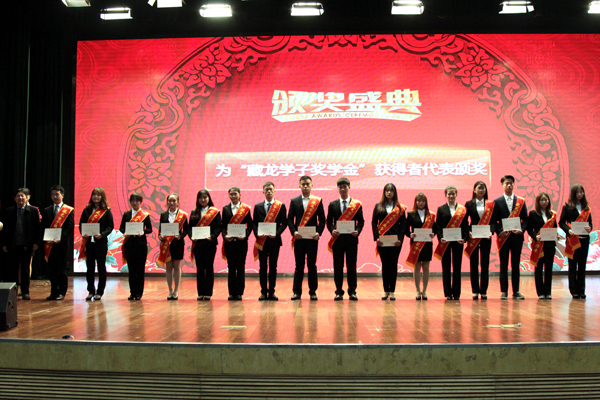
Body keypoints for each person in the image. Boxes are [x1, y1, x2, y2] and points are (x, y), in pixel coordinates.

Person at [287, 175, 326, 301]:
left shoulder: (317, 201)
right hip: (299, 239)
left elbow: (322, 219)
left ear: (311, 185)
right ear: (299, 186)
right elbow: (290, 219)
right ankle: (297, 292)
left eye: (307, 184)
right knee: (299, 266)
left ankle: (313, 291)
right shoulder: (294, 201)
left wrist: (318, 233)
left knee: (312, 265)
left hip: (312, 239)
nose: (305, 186)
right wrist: (294, 232)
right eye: (303, 184)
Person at [326, 177, 364, 301]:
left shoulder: (356, 204)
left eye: (345, 187)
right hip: (338, 240)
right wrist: (332, 230)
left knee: (351, 267)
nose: (343, 189)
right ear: (338, 188)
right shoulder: (333, 204)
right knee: (338, 267)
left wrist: (357, 231)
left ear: (349, 187)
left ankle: (352, 291)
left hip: (351, 240)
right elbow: (329, 222)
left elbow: (361, 221)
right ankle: (339, 292)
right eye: (340, 187)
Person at [1, 188, 40, 300]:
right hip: (12, 245)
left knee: (25, 269)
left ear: (27, 198)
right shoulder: (9, 211)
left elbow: (37, 229)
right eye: (18, 196)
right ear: (14, 198)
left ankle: (25, 291)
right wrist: (4, 244)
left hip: (27, 245)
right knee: (12, 270)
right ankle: (13, 291)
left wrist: (36, 242)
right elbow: (5, 230)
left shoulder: (33, 211)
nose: (20, 198)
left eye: (22, 196)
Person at [493, 175, 528, 300]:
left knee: (515, 264)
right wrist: (499, 232)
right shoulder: (497, 201)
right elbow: (494, 221)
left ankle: (516, 291)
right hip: (503, 238)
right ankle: (504, 291)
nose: (509, 185)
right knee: (503, 265)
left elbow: (525, 219)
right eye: (507, 183)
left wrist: (521, 230)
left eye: (511, 183)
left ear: (513, 185)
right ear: (502, 185)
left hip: (516, 237)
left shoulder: (520, 201)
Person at [252, 181, 287, 301]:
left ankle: (271, 292)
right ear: (263, 191)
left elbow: (284, 223)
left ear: (274, 191)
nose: (268, 191)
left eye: (270, 189)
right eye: (266, 189)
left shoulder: (280, 206)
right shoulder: (258, 206)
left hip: (274, 241)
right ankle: (263, 292)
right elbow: (254, 224)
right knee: (262, 267)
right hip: (261, 241)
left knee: (273, 267)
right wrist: (257, 233)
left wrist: (277, 233)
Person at [372, 183, 407, 301]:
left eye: (391, 190)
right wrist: (377, 237)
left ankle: (392, 291)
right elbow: (374, 223)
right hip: (382, 241)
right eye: (387, 190)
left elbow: (403, 225)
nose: (389, 192)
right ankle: (385, 290)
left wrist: (400, 239)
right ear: (384, 192)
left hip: (395, 242)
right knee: (385, 265)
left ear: (394, 192)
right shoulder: (378, 206)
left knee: (393, 265)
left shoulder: (400, 207)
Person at [78, 187, 114, 301]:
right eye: (94, 195)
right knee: (90, 268)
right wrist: (83, 233)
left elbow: (110, 226)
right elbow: (81, 225)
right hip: (89, 243)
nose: (96, 197)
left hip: (100, 243)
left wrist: (102, 235)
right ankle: (90, 291)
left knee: (101, 268)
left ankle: (100, 292)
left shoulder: (106, 211)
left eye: (98, 195)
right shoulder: (86, 210)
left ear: (102, 197)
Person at [434, 186, 468, 301]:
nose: (451, 196)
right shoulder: (441, 209)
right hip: (445, 242)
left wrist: (464, 238)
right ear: (446, 195)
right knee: (446, 266)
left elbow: (465, 225)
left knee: (457, 267)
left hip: (458, 241)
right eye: (449, 194)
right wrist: (440, 238)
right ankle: (448, 293)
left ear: (456, 195)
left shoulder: (462, 209)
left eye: (453, 194)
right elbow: (438, 226)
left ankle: (457, 293)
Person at [559, 184, 593, 299]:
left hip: (584, 240)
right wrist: (568, 230)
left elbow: (590, 223)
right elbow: (561, 222)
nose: (580, 194)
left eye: (581, 192)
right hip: (572, 240)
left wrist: (589, 228)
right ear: (573, 194)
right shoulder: (567, 207)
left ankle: (581, 290)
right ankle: (573, 290)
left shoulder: (586, 208)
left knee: (582, 265)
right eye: (577, 192)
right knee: (573, 265)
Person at [41, 185, 74, 300]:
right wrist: (46, 238)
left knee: (61, 269)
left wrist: (61, 238)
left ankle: (62, 292)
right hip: (50, 244)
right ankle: (53, 291)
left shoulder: (68, 210)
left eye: (57, 194)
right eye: (52, 194)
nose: (55, 196)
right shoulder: (47, 210)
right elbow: (43, 226)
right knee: (52, 269)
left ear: (62, 195)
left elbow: (69, 227)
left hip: (62, 244)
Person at [464, 181, 495, 300]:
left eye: (483, 188)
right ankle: (475, 291)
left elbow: (493, 221)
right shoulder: (469, 204)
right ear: (474, 190)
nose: (481, 190)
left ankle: (484, 291)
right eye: (479, 188)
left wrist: (491, 231)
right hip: (473, 237)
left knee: (485, 264)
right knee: (474, 264)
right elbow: (465, 221)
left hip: (486, 237)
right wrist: (468, 232)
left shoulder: (491, 204)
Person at [189, 189, 221, 301]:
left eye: (205, 197)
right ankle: (200, 292)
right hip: (198, 244)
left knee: (209, 267)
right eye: (201, 197)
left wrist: (212, 236)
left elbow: (218, 227)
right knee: (200, 268)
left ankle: (208, 293)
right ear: (198, 199)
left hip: (210, 244)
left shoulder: (214, 212)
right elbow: (190, 228)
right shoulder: (194, 212)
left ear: (209, 198)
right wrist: (191, 236)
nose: (203, 199)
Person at [119, 193, 152, 301]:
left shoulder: (145, 215)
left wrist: (142, 232)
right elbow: (121, 228)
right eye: (133, 201)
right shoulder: (126, 214)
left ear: (141, 202)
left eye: (137, 201)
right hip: (129, 245)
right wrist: (126, 232)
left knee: (140, 270)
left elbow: (149, 229)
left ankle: (139, 293)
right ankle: (132, 292)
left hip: (141, 245)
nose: (135, 203)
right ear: (130, 202)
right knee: (131, 270)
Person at [221, 186, 252, 301]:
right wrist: (225, 236)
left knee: (240, 267)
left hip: (241, 243)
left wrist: (245, 235)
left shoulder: (246, 209)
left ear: (240, 195)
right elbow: (223, 226)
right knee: (231, 267)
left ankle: (239, 292)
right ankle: (231, 292)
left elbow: (250, 225)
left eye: (235, 194)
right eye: (231, 194)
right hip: (229, 243)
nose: (233, 196)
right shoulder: (225, 209)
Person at [157, 193, 188, 300]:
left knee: (177, 267)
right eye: (170, 200)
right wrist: (160, 236)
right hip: (166, 245)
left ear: (178, 202)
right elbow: (160, 229)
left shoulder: (183, 215)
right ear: (167, 202)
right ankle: (170, 290)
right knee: (168, 268)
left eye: (174, 201)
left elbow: (186, 230)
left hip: (177, 244)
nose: (172, 203)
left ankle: (176, 290)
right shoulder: (163, 215)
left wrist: (180, 236)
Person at [405, 192, 436, 300]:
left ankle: (425, 290)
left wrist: (433, 234)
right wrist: (410, 234)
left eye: (423, 201)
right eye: (419, 201)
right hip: (416, 245)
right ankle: (418, 290)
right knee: (417, 267)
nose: (421, 203)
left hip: (427, 244)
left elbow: (435, 228)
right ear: (415, 202)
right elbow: (405, 228)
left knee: (426, 267)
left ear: (426, 202)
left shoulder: (431, 215)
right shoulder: (411, 214)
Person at [527, 192, 557, 300]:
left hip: (550, 245)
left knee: (548, 269)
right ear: (538, 202)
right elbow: (529, 229)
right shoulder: (533, 213)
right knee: (538, 269)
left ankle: (548, 292)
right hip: (539, 245)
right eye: (542, 200)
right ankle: (540, 292)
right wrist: (535, 236)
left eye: (546, 200)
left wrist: (556, 235)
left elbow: (554, 228)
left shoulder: (552, 214)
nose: (544, 202)